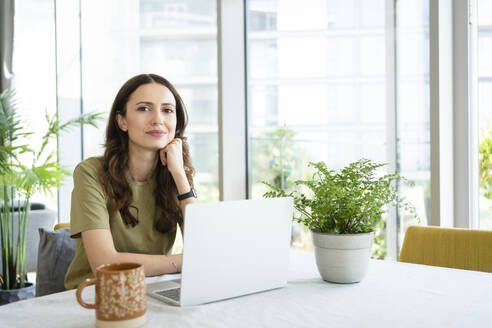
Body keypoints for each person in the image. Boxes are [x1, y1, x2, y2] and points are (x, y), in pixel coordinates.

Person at [64, 73, 196, 290]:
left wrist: (180, 176)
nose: (158, 119)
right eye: (144, 108)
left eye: (167, 110)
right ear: (121, 121)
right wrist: (181, 262)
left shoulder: (175, 172)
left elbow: (203, 250)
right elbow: (104, 263)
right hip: (95, 295)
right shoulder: (90, 173)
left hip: (151, 289)